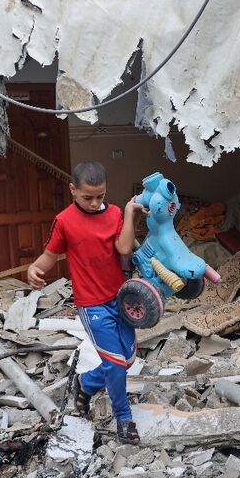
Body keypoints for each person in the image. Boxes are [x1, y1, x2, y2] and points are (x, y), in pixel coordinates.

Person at [28, 161, 146, 444]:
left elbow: (124, 248)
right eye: (87, 197)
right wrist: (35, 267)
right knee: (116, 363)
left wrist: (129, 212)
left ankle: (87, 382)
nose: (95, 203)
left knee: (127, 358)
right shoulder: (64, 221)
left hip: (120, 299)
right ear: (73, 190)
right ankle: (124, 419)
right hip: (91, 304)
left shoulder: (116, 212)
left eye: (100, 196)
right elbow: (50, 255)